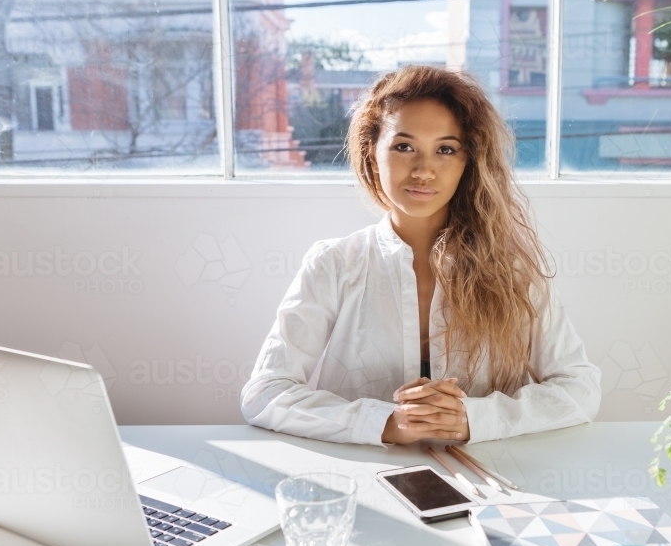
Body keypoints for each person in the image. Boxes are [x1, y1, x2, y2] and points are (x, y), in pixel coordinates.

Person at [241, 65, 601, 446]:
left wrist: (474, 418)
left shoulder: (513, 271)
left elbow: (579, 388)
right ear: (372, 152)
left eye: (446, 149)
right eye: (403, 146)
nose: (424, 170)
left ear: (469, 161)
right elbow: (264, 393)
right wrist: (384, 422)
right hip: (363, 478)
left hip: (492, 478)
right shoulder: (333, 263)